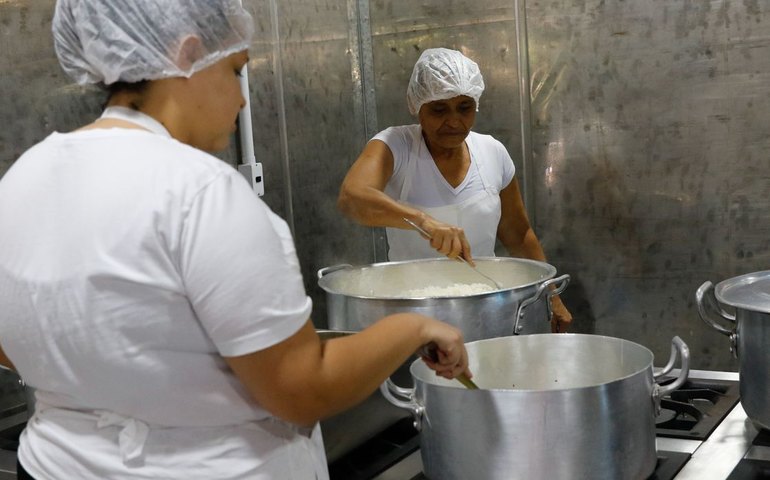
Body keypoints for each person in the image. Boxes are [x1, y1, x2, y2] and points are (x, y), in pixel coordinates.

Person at [0, 2, 471, 479]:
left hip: (52, 466)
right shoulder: (202, 193)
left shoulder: (24, 177)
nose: (243, 100)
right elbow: (303, 389)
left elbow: (9, 344)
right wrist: (413, 327)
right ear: (187, 55)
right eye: (234, 71)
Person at [338, 47, 572, 332]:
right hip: (414, 313)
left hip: (487, 308)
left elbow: (519, 234)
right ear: (417, 106)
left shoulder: (492, 152)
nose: (453, 121)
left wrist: (552, 297)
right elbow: (352, 198)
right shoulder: (396, 146)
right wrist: (423, 221)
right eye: (439, 109)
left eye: (464, 108)